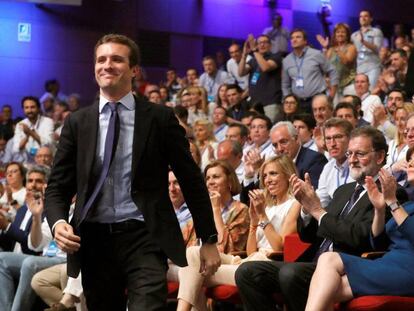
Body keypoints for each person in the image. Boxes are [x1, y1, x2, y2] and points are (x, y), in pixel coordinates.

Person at [44, 34, 221, 311]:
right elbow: (57, 186)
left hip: (145, 236)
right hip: (94, 239)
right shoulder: (77, 122)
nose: (107, 65)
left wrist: (208, 239)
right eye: (101, 59)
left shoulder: (160, 118)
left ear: (134, 70)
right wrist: (57, 223)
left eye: (117, 59)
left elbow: (191, 179)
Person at [235, 126, 407, 311]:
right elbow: (310, 236)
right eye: (349, 154)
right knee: (247, 272)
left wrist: (318, 211)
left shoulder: (392, 193)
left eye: (360, 154)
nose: (352, 160)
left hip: (347, 267)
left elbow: (361, 238)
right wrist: (307, 210)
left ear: (380, 157)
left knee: (290, 273)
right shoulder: (344, 191)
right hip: (313, 261)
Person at [305, 169, 414, 310]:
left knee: (328, 265)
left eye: (413, 159)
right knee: (326, 288)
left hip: (408, 269)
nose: (409, 163)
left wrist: (392, 203)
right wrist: (379, 210)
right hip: (386, 261)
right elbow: (378, 243)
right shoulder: (408, 202)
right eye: (409, 159)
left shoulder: (398, 202)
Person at [177, 160, 250, 311]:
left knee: (194, 253)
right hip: (200, 265)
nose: (210, 182)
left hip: (224, 262)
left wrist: (216, 210)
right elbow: (182, 240)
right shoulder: (201, 213)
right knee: (179, 265)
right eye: (208, 178)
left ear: (229, 181)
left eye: (216, 177)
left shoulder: (241, 210)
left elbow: (223, 247)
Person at [282, 29, 338, 113]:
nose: (294, 39)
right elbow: (285, 84)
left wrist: (331, 96)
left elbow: (332, 71)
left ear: (305, 41)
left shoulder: (316, 54)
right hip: (298, 103)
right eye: (292, 38)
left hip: (317, 99)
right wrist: (289, 101)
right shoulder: (287, 60)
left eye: (298, 37)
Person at [239, 34, 283, 122]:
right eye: (259, 43)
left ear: (270, 45)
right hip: (255, 104)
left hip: (270, 103)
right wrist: (244, 55)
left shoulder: (275, 56)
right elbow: (241, 72)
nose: (262, 45)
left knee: (270, 129)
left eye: (265, 42)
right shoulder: (253, 60)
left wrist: (255, 51)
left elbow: (265, 67)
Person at [317, 23, 357, 99]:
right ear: (335, 35)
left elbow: (346, 62)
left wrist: (339, 50)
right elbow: (325, 65)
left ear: (347, 35)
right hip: (334, 86)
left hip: (348, 84)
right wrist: (325, 48)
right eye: (338, 32)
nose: (340, 34)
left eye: (343, 32)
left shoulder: (351, 47)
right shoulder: (331, 49)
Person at [351, 10, 383, 89]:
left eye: (366, 16)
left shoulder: (376, 32)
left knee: (371, 90)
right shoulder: (354, 35)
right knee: (360, 91)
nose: (363, 18)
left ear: (371, 18)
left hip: (373, 66)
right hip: (359, 67)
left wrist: (363, 41)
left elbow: (377, 48)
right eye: (361, 16)